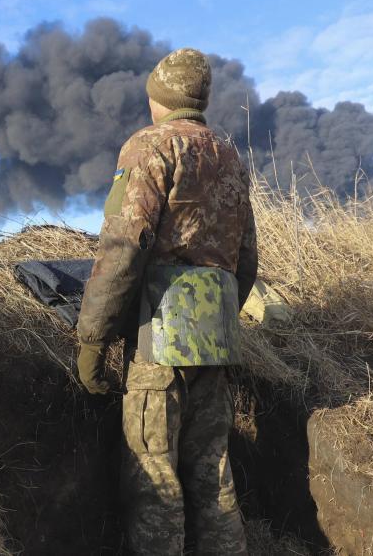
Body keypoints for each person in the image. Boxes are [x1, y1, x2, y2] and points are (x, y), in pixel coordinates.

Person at [75, 48, 257, 555]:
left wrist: (92, 339)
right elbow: (246, 261)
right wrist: (215, 315)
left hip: (159, 341)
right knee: (211, 475)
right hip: (216, 339)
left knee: (153, 475)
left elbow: (122, 249)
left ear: (159, 98)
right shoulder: (228, 153)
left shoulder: (149, 147)